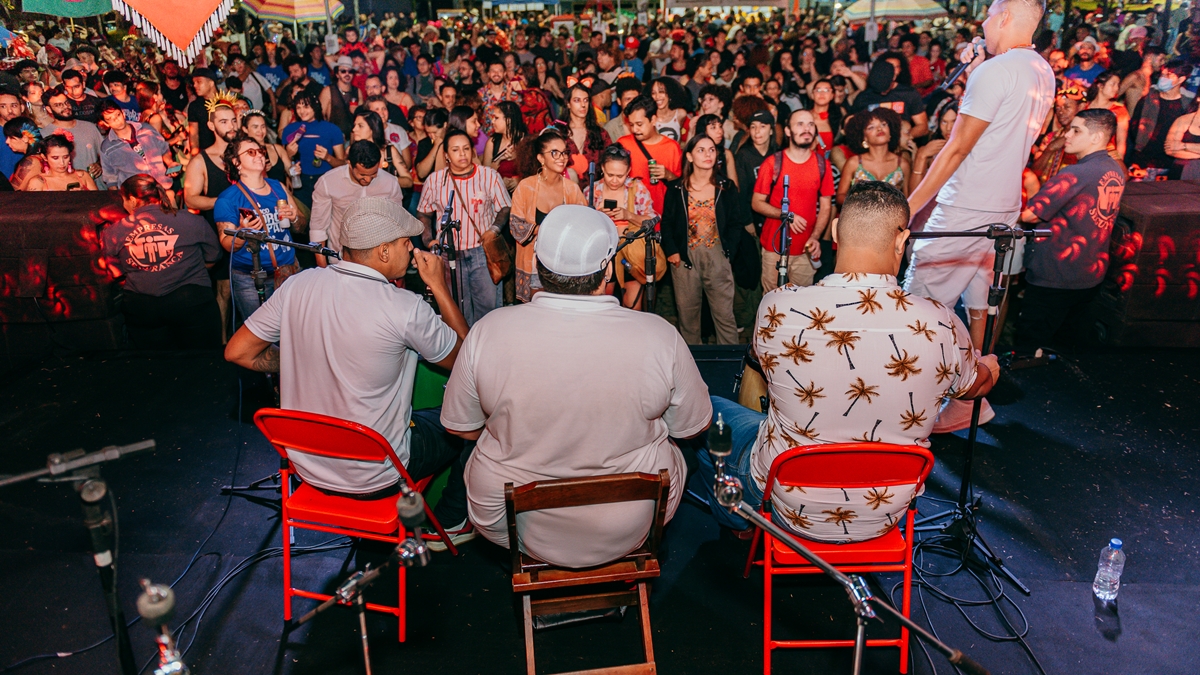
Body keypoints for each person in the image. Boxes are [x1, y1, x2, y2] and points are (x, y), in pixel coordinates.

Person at [695, 181, 997, 537]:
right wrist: (990, 369)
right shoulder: (941, 322)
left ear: (836, 232)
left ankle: (739, 524)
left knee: (708, 415)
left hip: (789, 502)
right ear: (902, 241)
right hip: (884, 512)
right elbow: (973, 387)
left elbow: (765, 367)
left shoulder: (778, 306)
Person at [440, 205, 712, 569]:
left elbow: (461, 427)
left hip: (512, 521)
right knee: (682, 449)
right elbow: (692, 426)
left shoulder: (489, 330)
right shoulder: (660, 335)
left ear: (538, 265)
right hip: (629, 521)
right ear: (606, 271)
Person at [224, 196, 474, 548]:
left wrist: (303, 357)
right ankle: (451, 519)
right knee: (475, 420)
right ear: (384, 252)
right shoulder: (403, 306)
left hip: (309, 468)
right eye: (406, 243)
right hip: (377, 474)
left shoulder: (297, 286)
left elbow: (237, 351)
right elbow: (467, 360)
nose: (412, 249)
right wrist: (439, 286)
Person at [904, 0, 1054, 359]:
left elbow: (957, 149)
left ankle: (915, 385)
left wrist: (907, 209)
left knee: (918, 307)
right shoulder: (1042, 69)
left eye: (988, 15)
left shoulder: (996, 71)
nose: (983, 24)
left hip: (966, 205)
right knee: (980, 301)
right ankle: (976, 380)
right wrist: (977, 69)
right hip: (1004, 207)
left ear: (1004, 17)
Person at [1017, 109, 1125, 357]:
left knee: (1029, 347)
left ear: (1097, 137)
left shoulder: (1074, 174)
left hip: (1055, 273)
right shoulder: (1115, 169)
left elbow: (1030, 215)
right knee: (1065, 347)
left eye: (1076, 131)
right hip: (1090, 272)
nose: (1067, 135)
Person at [103, 174, 221, 349]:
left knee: (157, 361)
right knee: (203, 357)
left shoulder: (114, 231)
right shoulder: (192, 221)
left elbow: (114, 270)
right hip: (191, 301)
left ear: (133, 200)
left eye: (124, 200)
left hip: (143, 307)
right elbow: (214, 256)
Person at [417, 128, 512, 325]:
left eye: (466, 148)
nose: (462, 154)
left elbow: (505, 207)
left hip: (482, 253)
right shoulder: (435, 180)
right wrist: (429, 240)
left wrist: (493, 230)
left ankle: (487, 344)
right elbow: (424, 213)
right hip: (448, 255)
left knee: (488, 311)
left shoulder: (489, 176)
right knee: (456, 312)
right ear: (446, 155)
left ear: (473, 150)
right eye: (456, 150)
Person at [661, 134, 741, 345]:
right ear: (689, 156)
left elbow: (736, 223)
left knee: (724, 316)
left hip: (717, 255)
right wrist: (672, 251)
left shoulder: (726, 187)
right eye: (701, 150)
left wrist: (728, 253)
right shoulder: (676, 188)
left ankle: (730, 362)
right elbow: (667, 223)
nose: (708, 154)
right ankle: (691, 362)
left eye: (712, 150)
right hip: (685, 258)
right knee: (688, 318)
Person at [214, 132, 303, 320]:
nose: (259, 155)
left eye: (260, 151)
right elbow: (226, 243)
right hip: (251, 280)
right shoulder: (228, 198)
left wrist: (295, 219)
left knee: (295, 327)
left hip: (288, 272)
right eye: (251, 152)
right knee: (261, 332)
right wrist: (242, 232)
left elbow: (301, 227)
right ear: (236, 163)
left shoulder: (278, 187)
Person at [751, 108, 833, 291]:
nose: (807, 129)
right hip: (774, 247)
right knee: (772, 299)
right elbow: (756, 202)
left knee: (801, 301)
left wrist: (815, 238)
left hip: (805, 249)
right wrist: (787, 215)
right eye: (800, 124)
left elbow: (826, 207)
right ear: (788, 131)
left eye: (810, 124)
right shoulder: (773, 163)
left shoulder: (822, 164)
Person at [510, 128, 589, 303]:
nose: (562, 157)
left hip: (564, 266)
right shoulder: (526, 187)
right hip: (534, 266)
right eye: (554, 153)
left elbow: (584, 225)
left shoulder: (572, 189)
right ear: (540, 158)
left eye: (564, 152)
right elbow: (516, 226)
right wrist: (547, 228)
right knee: (536, 311)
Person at [311, 139, 406, 264]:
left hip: (379, 261)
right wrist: (322, 270)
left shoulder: (390, 183)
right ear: (350, 164)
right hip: (341, 260)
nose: (368, 179)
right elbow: (318, 229)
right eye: (362, 175)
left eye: (373, 174)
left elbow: (397, 224)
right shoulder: (328, 182)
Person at [592, 144, 658, 309]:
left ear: (628, 171)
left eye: (620, 176)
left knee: (632, 306)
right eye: (610, 175)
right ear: (602, 168)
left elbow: (652, 220)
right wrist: (597, 215)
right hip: (602, 254)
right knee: (603, 304)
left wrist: (629, 216)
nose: (614, 180)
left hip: (630, 253)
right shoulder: (592, 191)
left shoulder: (637, 189)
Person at [1125, 59, 1191, 179]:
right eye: (1162, 74)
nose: (1163, 78)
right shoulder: (1148, 100)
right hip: (1141, 163)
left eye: (1168, 75)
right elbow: (1134, 130)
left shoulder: (1187, 105)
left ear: (1181, 79)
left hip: (1168, 164)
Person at [617, 96, 683, 216]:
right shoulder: (623, 144)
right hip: (631, 216)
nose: (635, 129)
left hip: (662, 214)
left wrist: (668, 175)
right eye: (631, 124)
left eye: (639, 124)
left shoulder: (671, 147)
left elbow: (682, 186)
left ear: (653, 120)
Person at [281, 93, 346, 206]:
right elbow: (283, 165)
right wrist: (288, 154)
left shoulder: (332, 129)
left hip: (325, 180)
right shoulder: (289, 130)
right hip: (300, 183)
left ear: (315, 107)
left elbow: (343, 164)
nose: (302, 111)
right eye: (298, 107)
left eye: (306, 106)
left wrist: (328, 158)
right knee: (303, 215)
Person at [98, 99, 175, 192]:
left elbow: (164, 148)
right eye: (110, 119)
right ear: (105, 123)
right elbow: (110, 179)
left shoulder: (146, 129)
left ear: (123, 113)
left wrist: (170, 163)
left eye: (118, 115)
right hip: (136, 194)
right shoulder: (107, 147)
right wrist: (117, 196)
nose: (117, 120)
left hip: (162, 187)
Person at [836, 108, 911, 204]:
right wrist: (860, 203)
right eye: (871, 127)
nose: (879, 129)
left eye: (883, 124)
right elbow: (840, 196)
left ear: (890, 132)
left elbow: (909, 199)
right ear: (864, 137)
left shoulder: (902, 164)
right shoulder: (854, 163)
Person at [41, 85, 104, 187]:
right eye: (58, 105)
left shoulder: (90, 127)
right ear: (49, 109)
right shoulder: (45, 134)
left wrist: (99, 164)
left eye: (66, 102)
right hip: (66, 190)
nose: (65, 107)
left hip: (97, 188)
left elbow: (105, 154)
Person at [560, 81, 611, 186]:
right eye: (577, 100)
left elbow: (610, 163)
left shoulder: (601, 134)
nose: (583, 105)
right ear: (568, 103)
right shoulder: (557, 133)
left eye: (586, 100)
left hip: (595, 192)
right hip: (564, 192)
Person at [1031, 84, 1085, 183]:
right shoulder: (1050, 137)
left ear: (1081, 107)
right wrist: (1050, 149)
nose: (1060, 112)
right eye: (1058, 108)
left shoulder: (1088, 138)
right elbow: (1035, 172)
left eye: (1067, 107)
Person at [26, 132, 98, 191]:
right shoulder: (38, 182)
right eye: (55, 158)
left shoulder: (83, 176)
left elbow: (98, 201)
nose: (62, 162)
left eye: (66, 157)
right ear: (44, 157)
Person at [482, 100, 526, 192]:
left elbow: (535, 173)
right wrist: (500, 181)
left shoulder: (525, 141)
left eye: (496, 118)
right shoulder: (492, 143)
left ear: (509, 120)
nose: (492, 121)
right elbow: (485, 177)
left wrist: (519, 180)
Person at [241, 110, 294, 186]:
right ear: (245, 129)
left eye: (263, 126)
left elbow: (291, 172)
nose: (260, 131)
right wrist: (261, 171)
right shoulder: (244, 153)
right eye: (255, 127)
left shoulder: (277, 149)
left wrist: (295, 170)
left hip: (281, 191)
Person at [1086, 70, 1130, 159]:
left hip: (1105, 156)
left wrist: (1119, 160)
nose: (1116, 88)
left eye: (1118, 85)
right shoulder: (1084, 106)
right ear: (1100, 86)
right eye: (1113, 84)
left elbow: (1121, 141)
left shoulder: (1119, 110)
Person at [321, 55, 364, 138]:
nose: (347, 74)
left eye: (350, 71)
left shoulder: (357, 91)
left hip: (353, 138)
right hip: (334, 138)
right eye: (343, 71)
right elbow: (319, 116)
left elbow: (363, 117)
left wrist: (356, 111)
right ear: (337, 74)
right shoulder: (328, 91)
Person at [3, 117, 47, 190]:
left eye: (11, 138)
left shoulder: (30, 161)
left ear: (25, 138)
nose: (7, 141)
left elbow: (13, 192)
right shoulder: (39, 157)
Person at [185, 68, 221, 152]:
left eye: (199, 82)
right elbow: (194, 135)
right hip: (206, 153)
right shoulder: (195, 106)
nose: (195, 85)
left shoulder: (226, 102)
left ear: (211, 83)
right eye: (194, 83)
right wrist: (195, 155)